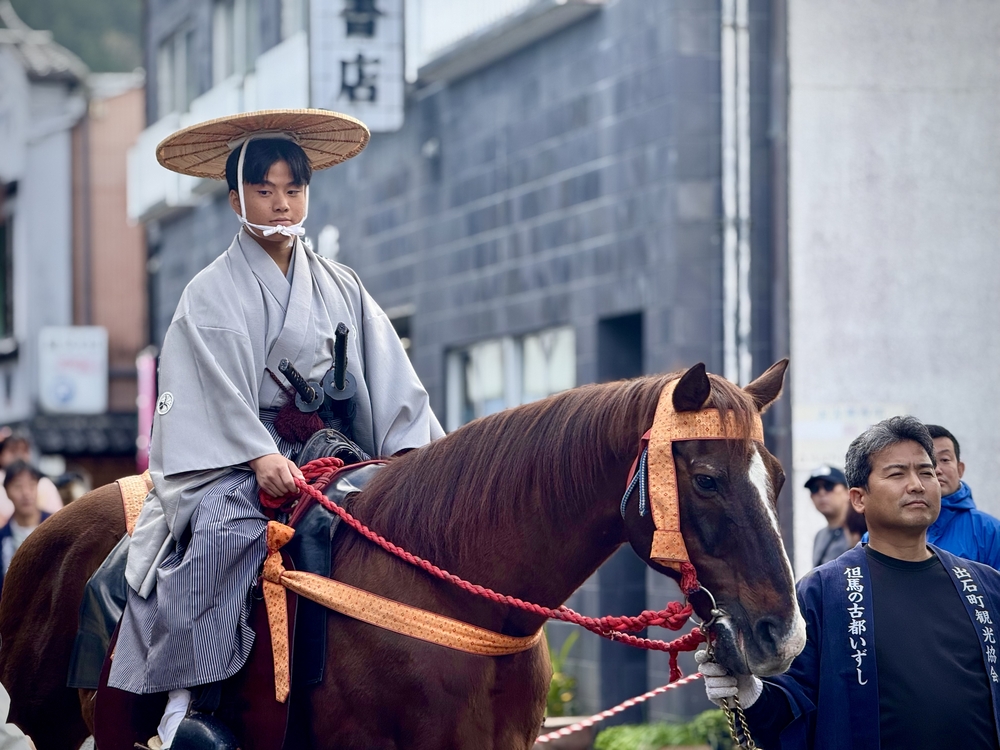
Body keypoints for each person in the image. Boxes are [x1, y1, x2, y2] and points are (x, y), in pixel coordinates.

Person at [107, 110, 443, 749]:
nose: (281, 204)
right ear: (236, 198)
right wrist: (258, 453)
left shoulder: (342, 284)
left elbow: (393, 380)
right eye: (265, 190)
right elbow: (212, 391)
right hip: (238, 460)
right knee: (221, 530)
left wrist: (416, 456)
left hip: (334, 449)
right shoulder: (210, 292)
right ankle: (193, 700)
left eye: (293, 189)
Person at [698, 416, 1000, 749]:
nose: (916, 484)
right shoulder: (824, 592)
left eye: (925, 472)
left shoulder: (984, 585)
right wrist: (747, 691)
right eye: (897, 473)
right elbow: (793, 708)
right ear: (859, 498)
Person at [924, 424, 1000, 569]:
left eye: (945, 459)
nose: (937, 469)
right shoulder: (888, 529)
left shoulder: (990, 531)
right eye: (928, 462)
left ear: (960, 469)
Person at [0, 461, 50, 596]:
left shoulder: (56, 527)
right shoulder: (2, 537)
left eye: (32, 486)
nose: (26, 493)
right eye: (18, 487)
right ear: (7, 491)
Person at [0, 433, 61, 524]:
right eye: (13, 450)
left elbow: (58, 517)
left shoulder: (44, 483)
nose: (19, 455)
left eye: (24, 450)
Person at [804, 465, 850, 567]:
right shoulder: (820, 535)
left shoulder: (862, 531)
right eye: (814, 488)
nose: (821, 492)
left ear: (848, 493)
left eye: (828, 486)